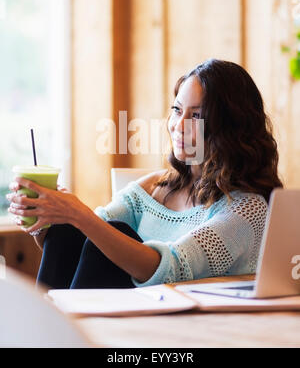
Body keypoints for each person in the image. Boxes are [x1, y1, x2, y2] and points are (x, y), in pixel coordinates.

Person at [6, 59, 283, 290]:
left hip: (182, 324)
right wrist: (46, 218)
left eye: (197, 116)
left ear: (231, 129)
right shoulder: (154, 187)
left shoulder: (247, 209)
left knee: (108, 230)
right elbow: (78, 243)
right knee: (68, 230)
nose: (179, 125)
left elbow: (173, 267)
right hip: (124, 316)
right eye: (177, 110)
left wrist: (78, 213)